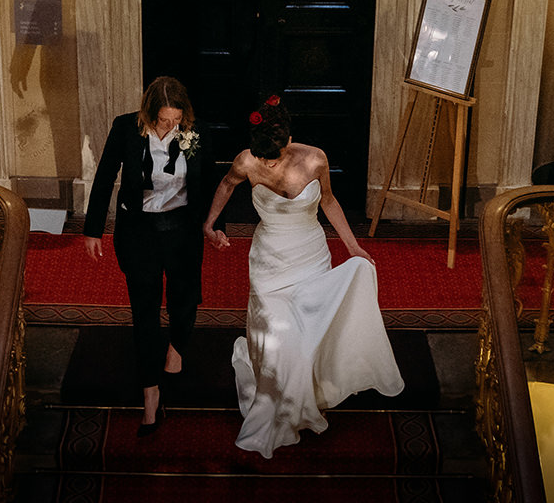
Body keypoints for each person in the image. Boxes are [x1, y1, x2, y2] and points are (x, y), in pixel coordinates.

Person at [203, 95, 403, 458]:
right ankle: (275, 402)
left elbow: (327, 201)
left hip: (309, 258)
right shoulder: (246, 160)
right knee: (279, 339)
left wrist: (353, 247)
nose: (268, 163)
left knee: (306, 335)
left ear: (288, 140)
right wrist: (209, 223)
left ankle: (304, 398)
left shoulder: (314, 159)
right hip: (268, 263)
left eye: (274, 156)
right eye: (263, 158)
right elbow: (227, 185)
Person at [81, 76, 214, 435]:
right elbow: (106, 175)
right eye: (163, 121)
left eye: (176, 121)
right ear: (148, 113)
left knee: (184, 300)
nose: (171, 127)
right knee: (145, 311)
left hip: (182, 231)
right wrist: (94, 229)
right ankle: (150, 394)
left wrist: (213, 224)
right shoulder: (125, 127)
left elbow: (208, 182)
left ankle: (177, 345)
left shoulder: (196, 131)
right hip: (139, 232)